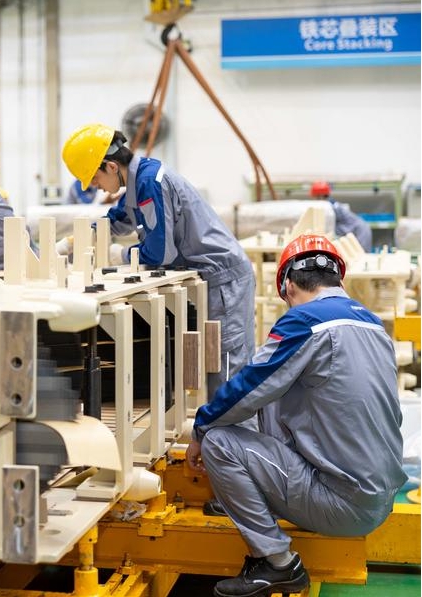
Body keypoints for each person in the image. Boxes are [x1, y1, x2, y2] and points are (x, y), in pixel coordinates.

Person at [186, 234, 405, 597]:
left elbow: (247, 387)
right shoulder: (372, 323)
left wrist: (200, 427)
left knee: (219, 441)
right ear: (339, 280)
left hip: (341, 502)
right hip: (379, 496)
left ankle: (278, 563)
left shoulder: (306, 321)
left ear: (288, 285)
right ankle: (250, 493)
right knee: (281, 388)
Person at [62, 123, 255, 398]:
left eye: (95, 178)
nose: (96, 187)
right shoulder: (139, 180)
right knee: (215, 371)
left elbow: (160, 254)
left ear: (111, 166)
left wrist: (121, 255)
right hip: (212, 278)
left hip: (224, 280)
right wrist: (78, 240)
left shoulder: (149, 182)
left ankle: (238, 440)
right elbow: (118, 219)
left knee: (226, 372)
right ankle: (220, 438)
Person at [311, 180, 373, 252]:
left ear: (320, 196)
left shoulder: (332, 207)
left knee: (361, 256)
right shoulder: (330, 205)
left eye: (315, 197)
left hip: (360, 231)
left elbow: (329, 225)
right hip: (355, 231)